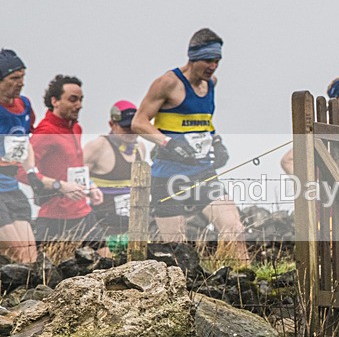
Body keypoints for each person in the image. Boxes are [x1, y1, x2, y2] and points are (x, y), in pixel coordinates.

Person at [131, 28, 247, 264]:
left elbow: (203, 120)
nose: (213, 66)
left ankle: (245, 281)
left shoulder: (211, 84)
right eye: (207, 60)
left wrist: (217, 141)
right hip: (168, 176)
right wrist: (167, 143)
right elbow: (139, 122)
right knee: (178, 251)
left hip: (203, 173)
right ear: (193, 58)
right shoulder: (167, 83)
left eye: (217, 61)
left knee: (234, 228)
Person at [31, 74, 105, 244]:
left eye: (81, 99)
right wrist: (60, 186)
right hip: (54, 215)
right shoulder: (45, 132)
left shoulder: (76, 128)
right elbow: (22, 172)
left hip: (83, 211)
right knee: (50, 269)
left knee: (107, 261)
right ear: (55, 101)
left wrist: (90, 186)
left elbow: (74, 167)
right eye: (73, 100)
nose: (79, 105)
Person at [83, 100, 147, 253]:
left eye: (134, 127)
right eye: (125, 128)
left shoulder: (141, 148)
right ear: (112, 124)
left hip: (132, 225)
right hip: (103, 224)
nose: (131, 133)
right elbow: (76, 174)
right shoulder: (97, 146)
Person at [280, 75, 339, 175]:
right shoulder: (326, 132)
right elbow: (288, 161)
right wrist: (312, 187)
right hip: (337, 188)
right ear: (335, 104)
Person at [0, 49, 38, 263]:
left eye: (23, 77)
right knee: (16, 254)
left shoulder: (25, 105)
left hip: (12, 187)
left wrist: (31, 172)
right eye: (14, 78)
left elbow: (26, 141)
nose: (21, 82)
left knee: (29, 258)